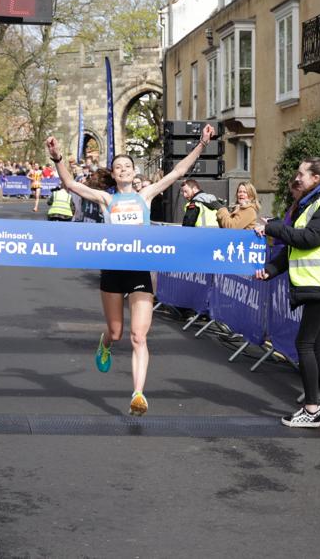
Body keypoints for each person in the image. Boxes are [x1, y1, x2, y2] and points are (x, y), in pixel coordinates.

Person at [46, 124, 216, 415]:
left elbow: (176, 174)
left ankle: (138, 393)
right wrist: (58, 159)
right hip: (113, 270)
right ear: (113, 174)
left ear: (134, 171)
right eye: (118, 167)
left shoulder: (145, 195)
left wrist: (201, 144)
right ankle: (105, 343)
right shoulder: (106, 199)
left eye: (127, 165)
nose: (123, 169)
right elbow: (72, 186)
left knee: (139, 336)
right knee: (117, 332)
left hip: (140, 271)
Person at [255, 158, 320, 428]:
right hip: (317, 280)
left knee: (305, 344)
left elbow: (310, 238)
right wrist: (271, 270)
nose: (297, 178)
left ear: (317, 178)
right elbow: (295, 248)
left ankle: (311, 409)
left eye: (301, 173)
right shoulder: (315, 202)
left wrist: (272, 227)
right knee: (315, 346)